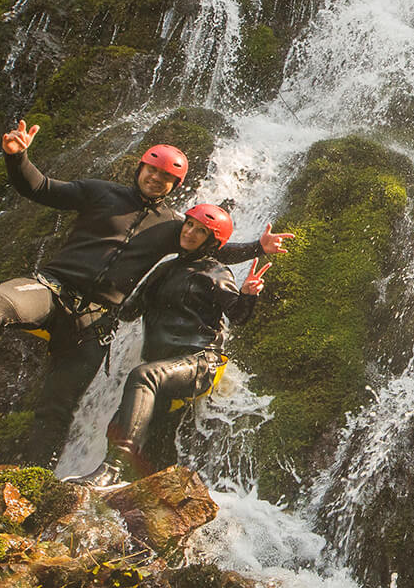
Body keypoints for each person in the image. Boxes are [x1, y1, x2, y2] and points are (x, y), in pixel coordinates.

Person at [0, 121, 292, 464]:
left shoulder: (176, 226)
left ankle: (32, 483)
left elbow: (208, 243)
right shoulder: (99, 193)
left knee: (57, 408)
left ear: (177, 186)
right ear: (140, 168)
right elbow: (39, 188)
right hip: (52, 290)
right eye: (151, 171)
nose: (156, 180)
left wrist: (258, 247)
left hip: (95, 322)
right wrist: (17, 157)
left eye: (165, 178)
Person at [73, 203, 268, 488]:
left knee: (143, 376)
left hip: (201, 361)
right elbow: (128, 311)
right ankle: (138, 490)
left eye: (200, 231)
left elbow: (238, 315)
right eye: (189, 225)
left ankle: (111, 469)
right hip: (165, 365)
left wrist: (248, 294)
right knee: (133, 424)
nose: (190, 232)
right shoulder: (163, 270)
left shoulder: (216, 272)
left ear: (212, 241)